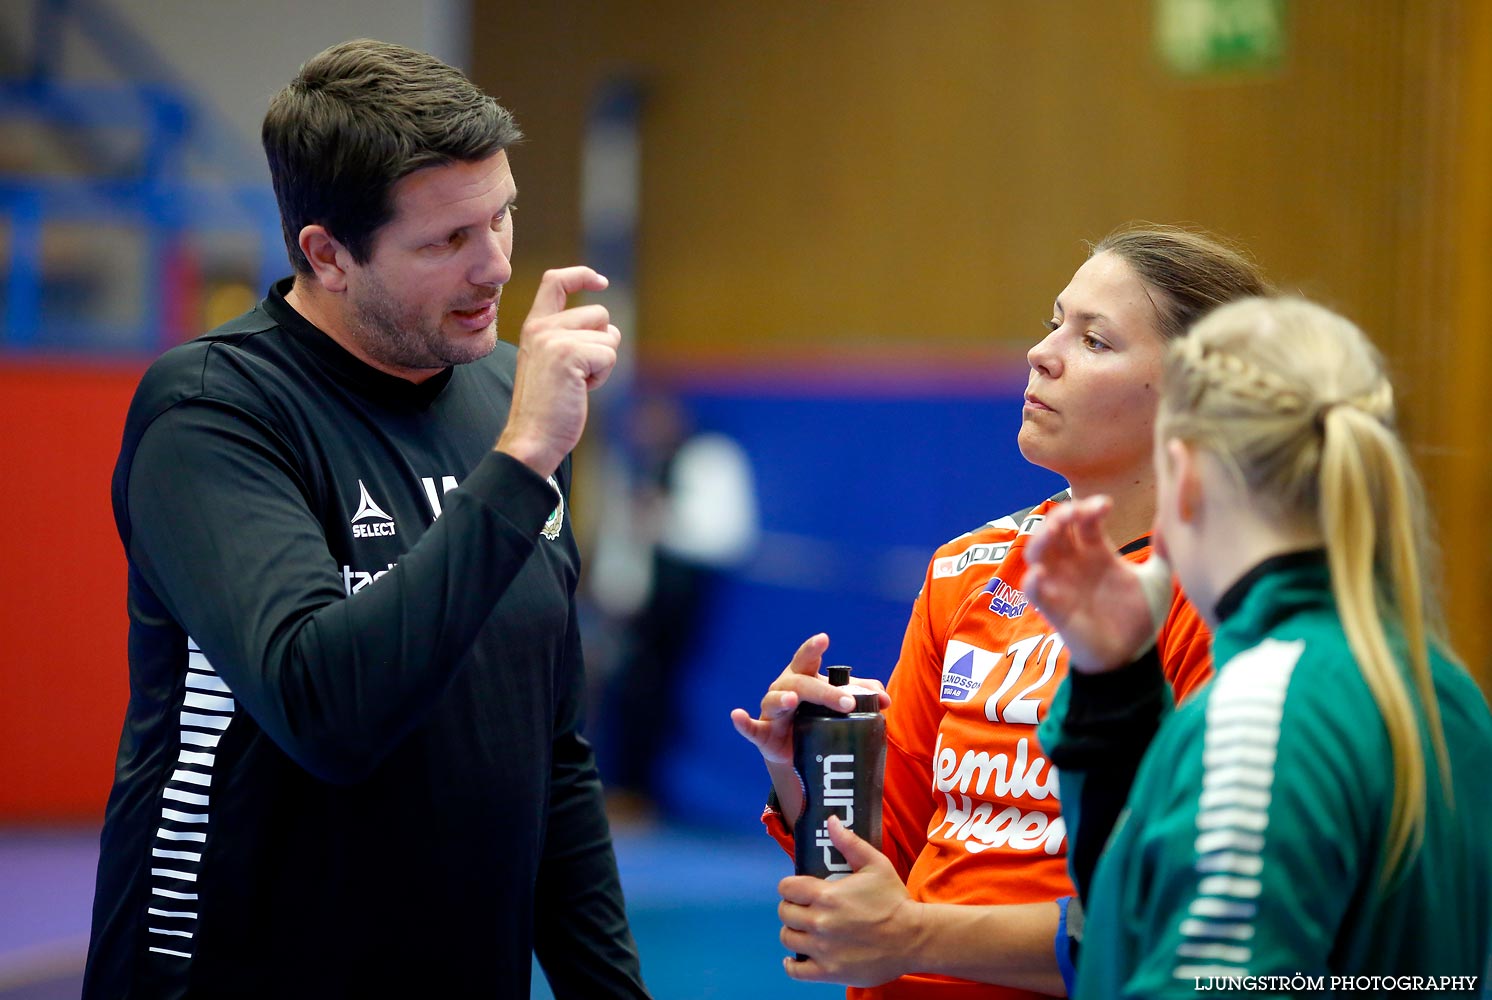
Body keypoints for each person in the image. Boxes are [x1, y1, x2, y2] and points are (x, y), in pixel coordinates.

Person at [83, 40, 649, 998]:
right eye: (445, 243)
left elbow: (549, 757)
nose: (496, 267)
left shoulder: (505, 398)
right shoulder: (214, 412)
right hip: (226, 970)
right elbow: (327, 712)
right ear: (327, 254)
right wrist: (520, 463)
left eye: (501, 215)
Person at [731, 225, 1269, 998]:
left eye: (1095, 341)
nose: (1042, 353)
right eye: (1056, 321)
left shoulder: (1225, 598)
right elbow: (886, 852)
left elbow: (1176, 919)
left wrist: (912, 934)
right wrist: (803, 766)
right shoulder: (968, 566)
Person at [1026, 297, 1492, 996]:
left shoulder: (1262, 713)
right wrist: (1113, 683)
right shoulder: (1441, 690)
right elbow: (1138, 921)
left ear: (1182, 477)